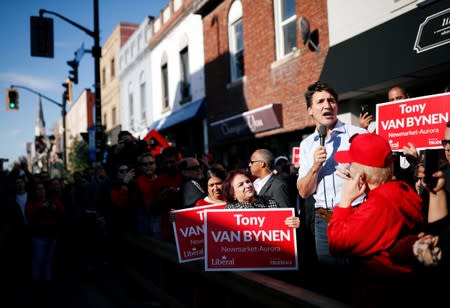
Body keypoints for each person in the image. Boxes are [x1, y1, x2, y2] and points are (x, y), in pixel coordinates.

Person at [327, 133, 424, 307]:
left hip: (379, 294)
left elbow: (337, 243)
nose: (348, 167)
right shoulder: (399, 190)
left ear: (361, 175)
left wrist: (345, 202)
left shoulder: (379, 205)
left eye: (351, 164)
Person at [296, 81, 367, 268]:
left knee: (360, 275)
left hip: (356, 215)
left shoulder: (358, 135)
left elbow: (377, 177)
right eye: (320, 102)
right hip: (323, 222)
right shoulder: (306, 145)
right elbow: (304, 192)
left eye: (331, 100)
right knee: (331, 282)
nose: (327, 105)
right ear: (310, 110)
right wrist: (315, 167)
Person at [223, 169, 299, 228]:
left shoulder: (269, 202)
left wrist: (293, 222)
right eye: (241, 184)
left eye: (248, 181)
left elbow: (282, 225)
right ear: (233, 194)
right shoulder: (229, 211)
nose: (247, 185)